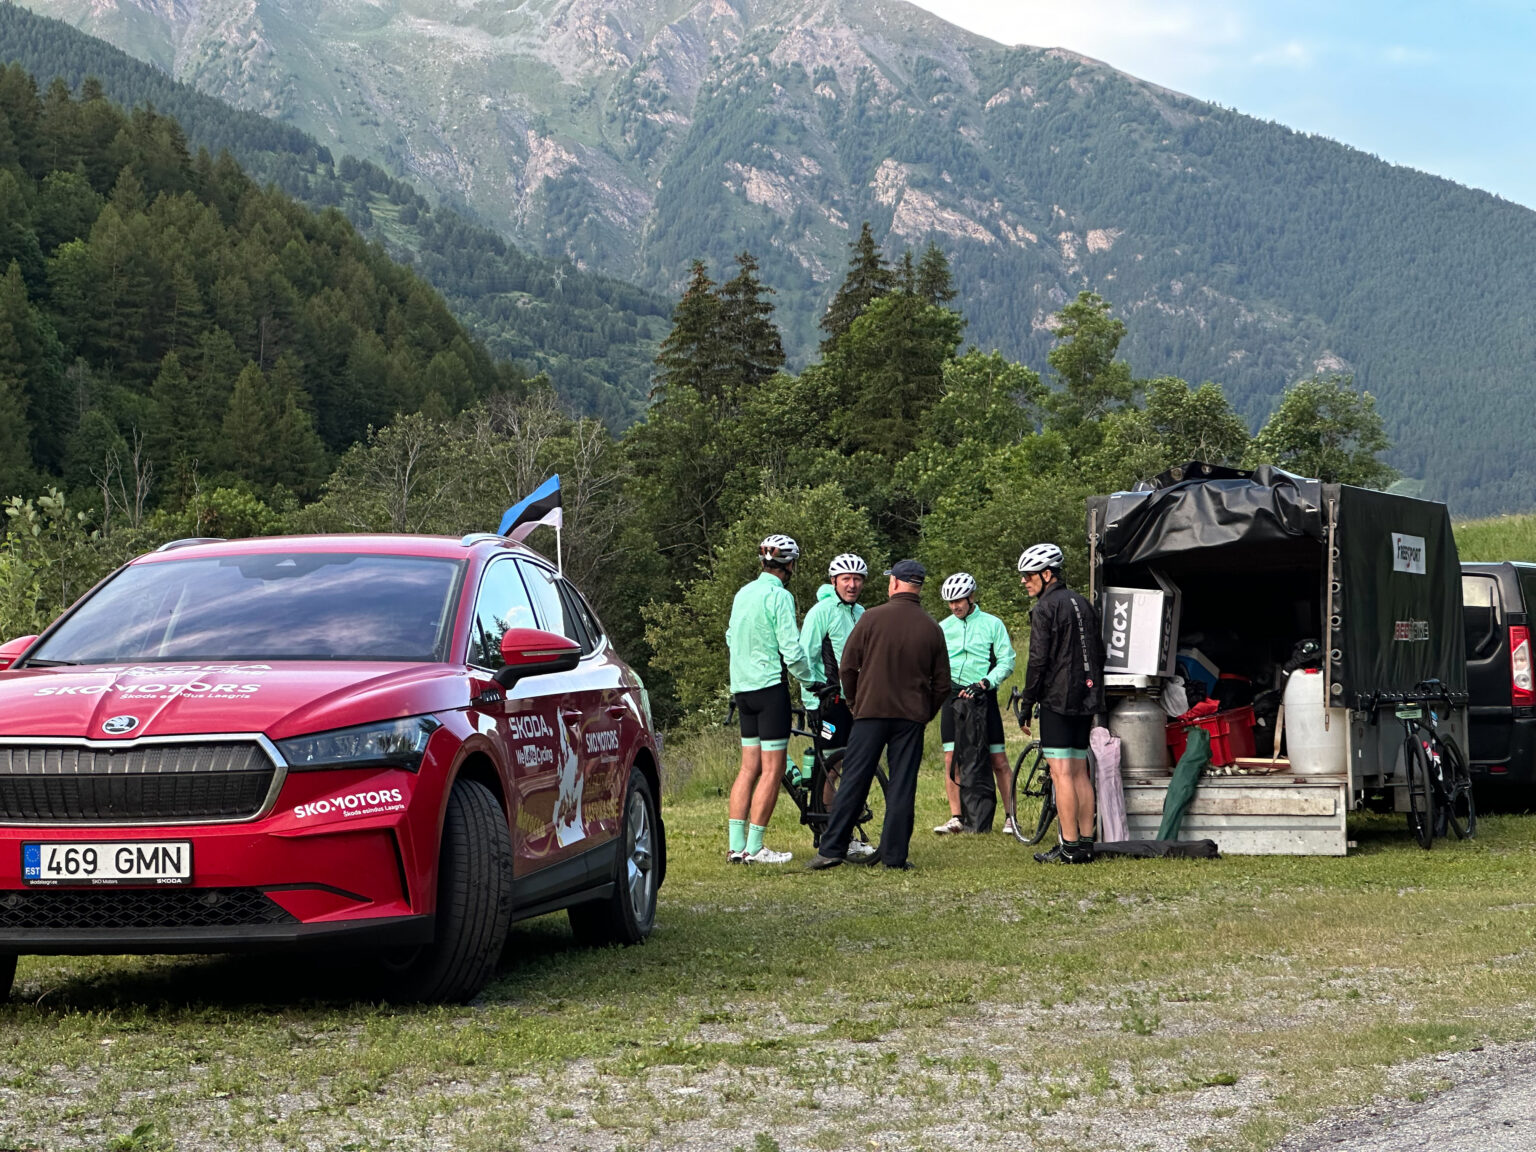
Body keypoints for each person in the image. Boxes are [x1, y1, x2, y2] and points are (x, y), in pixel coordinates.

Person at [807, 560, 951, 871]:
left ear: (895, 583)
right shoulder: (932, 627)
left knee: (854, 779)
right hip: (910, 717)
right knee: (902, 785)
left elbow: (847, 666)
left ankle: (831, 849)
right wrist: (925, 712)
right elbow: (942, 684)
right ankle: (895, 857)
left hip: (869, 712)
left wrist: (854, 702)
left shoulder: (871, 618)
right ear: (919, 587)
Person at [726, 533, 821, 865]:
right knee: (772, 768)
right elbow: (791, 650)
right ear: (790, 565)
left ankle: (735, 847)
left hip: (742, 689)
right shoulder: (780, 596)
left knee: (748, 768)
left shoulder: (743, 593)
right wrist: (811, 681)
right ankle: (755, 848)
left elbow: (730, 636)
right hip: (769, 689)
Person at [1015, 543, 1106, 864]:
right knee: (1079, 771)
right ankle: (1085, 844)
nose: (1024, 581)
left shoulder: (1045, 608)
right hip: (1087, 697)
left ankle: (1068, 847)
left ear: (1046, 574)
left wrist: (1027, 703)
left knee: (1061, 773)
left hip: (1057, 698)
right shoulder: (1083, 603)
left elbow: (1038, 660)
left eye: (1028, 575)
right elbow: (1099, 652)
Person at [798, 553, 876, 861]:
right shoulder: (821, 612)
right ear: (834, 581)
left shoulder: (862, 612)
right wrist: (811, 700)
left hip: (859, 700)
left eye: (857, 579)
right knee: (831, 766)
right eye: (846, 579)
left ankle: (844, 832)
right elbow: (805, 655)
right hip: (829, 701)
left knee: (854, 765)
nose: (852, 584)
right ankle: (831, 833)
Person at [933, 572, 1018, 835]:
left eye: (959, 600)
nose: (954, 606)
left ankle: (1011, 817)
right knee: (952, 758)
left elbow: (1007, 660)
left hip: (982, 694)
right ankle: (956, 817)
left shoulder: (992, 624)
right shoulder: (942, 627)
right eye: (950, 602)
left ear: (971, 597)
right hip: (953, 697)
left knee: (997, 759)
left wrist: (986, 682)